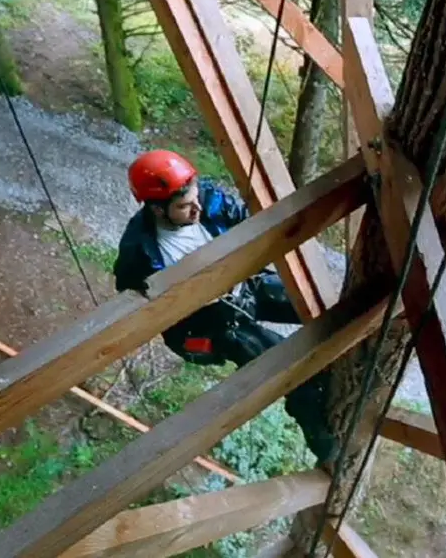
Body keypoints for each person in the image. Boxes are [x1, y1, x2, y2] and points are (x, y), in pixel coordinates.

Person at [113, 149, 337, 464]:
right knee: (288, 367)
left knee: (316, 301)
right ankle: (319, 433)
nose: (196, 208)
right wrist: (179, 301)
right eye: (184, 206)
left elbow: (246, 219)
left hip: (245, 286)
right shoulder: (140, 251)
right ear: (157, 210)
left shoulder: (206, 200)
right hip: (211, 323)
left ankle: (354, 342)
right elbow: (131, 297)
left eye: (194, 197)